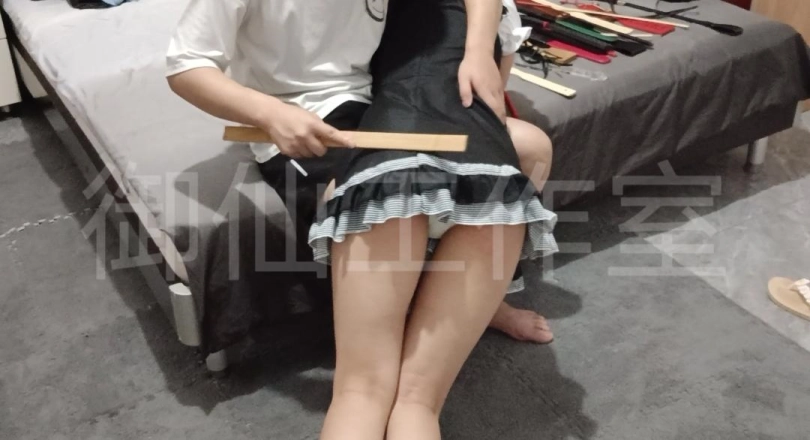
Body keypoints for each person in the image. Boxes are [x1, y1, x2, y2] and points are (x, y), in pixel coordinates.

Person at [165, 0, 555, 343]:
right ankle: (401, 324)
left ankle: (480, 301)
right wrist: (270, 114)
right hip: (303, 121)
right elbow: (186, 65)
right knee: (375, 198)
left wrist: (478, 51)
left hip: (381, 100)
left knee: (529, 149)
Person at [308, 0, 557, 438]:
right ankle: (465, 301)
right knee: (416, 402)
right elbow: (492, 101)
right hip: (486, 188)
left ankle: (480, 304)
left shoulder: (379, 13)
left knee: (360, 394)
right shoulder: (494, 17)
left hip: (395, 177)